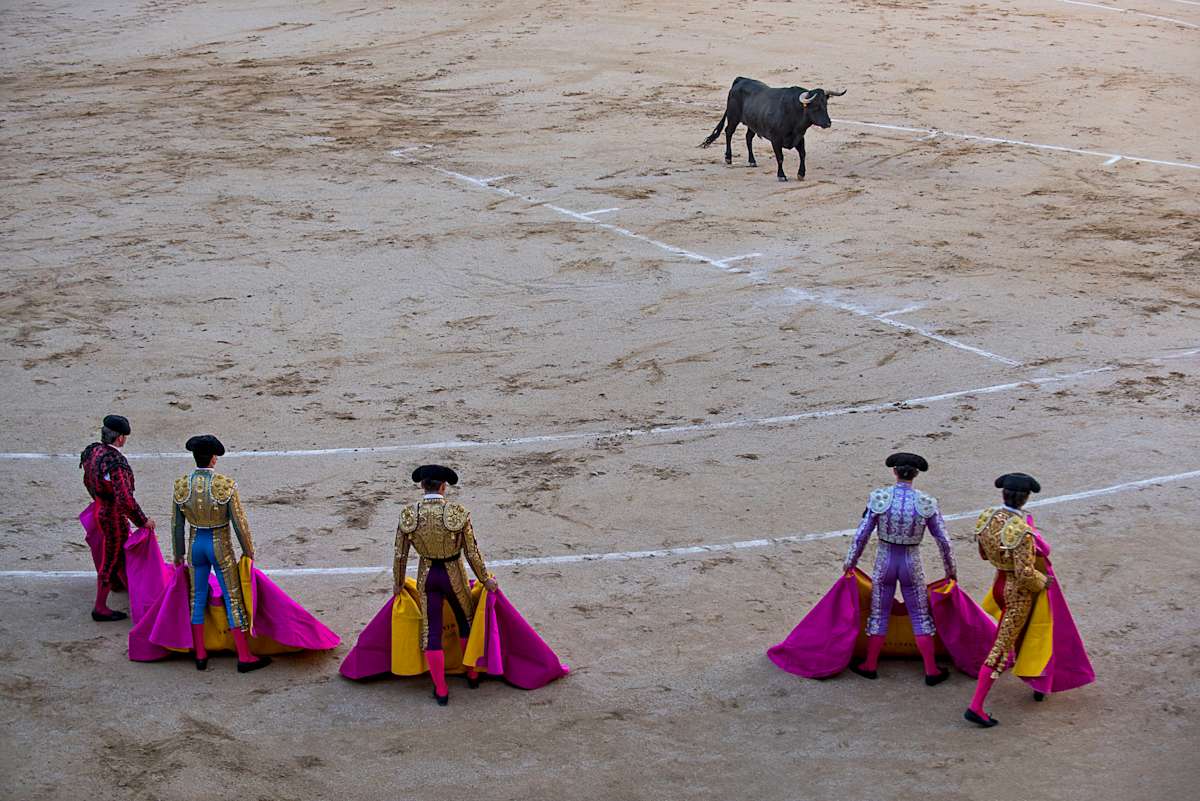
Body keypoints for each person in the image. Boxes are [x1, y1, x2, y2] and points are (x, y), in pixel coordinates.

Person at [843, 452, 956, 684]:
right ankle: (931, 670)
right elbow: (943, 540)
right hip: (911, 562)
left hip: (884, 561)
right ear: (915, 475)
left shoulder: (880, 498)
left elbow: (862, 534)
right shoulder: (926, 502)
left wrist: (850, 563)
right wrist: (950, 570)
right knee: (919, 614)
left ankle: (870, 665)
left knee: (879, 612)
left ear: (894, 472)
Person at [395, 464, 498, 705]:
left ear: (422, 486)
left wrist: (398, 583)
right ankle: (472, 674)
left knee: (431, 631)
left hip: (427, 575)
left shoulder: (409, 514)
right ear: (444, 487)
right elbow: (472, 553)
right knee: (466, 621)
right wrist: (485, 579)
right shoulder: (458, 513)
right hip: (454, 573)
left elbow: (400, 555)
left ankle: (441, 690)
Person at [171, 434, 269, 673]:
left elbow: (176, 525)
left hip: (195, 545)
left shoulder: (181, 485)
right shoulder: (225, 485)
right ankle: (244, 656)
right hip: (219, 545)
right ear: (214, 459)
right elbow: (239, 523)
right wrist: (248, 551)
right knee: (232, 597)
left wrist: (178, 554)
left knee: (197, 597)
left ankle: (201, 655)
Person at [964, 472, 1052, 727]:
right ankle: (976, 707)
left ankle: (1031, 675)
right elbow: (1025, 574)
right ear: (1025, 499)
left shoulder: (987, 519)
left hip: (998, 586)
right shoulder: (1022, 532)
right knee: (1002, 648)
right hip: (1017, 594)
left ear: (1003, 494)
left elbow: (983, 554)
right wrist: (1043, 581)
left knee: (1010, 635)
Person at [79, 414, 154, 621]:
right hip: (111, 515)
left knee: (114, 553)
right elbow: (125, 500)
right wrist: (142, 521)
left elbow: (87, 480)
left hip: (99, 507)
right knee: (111, 557)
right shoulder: (115, 462)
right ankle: (100, 608)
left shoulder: (93, 451)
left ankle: (118, 582)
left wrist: (98, 498)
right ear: (120, 438)